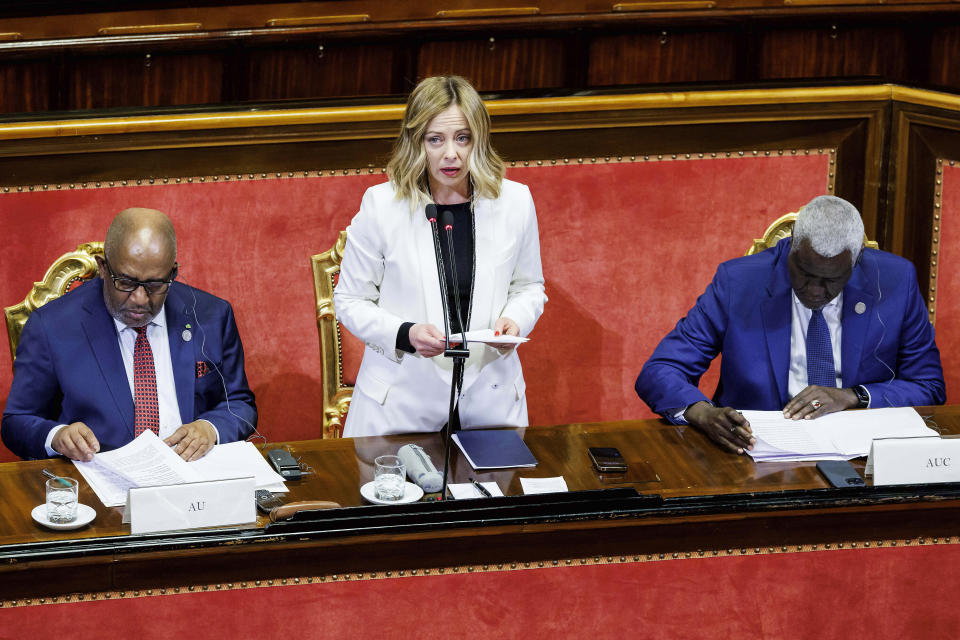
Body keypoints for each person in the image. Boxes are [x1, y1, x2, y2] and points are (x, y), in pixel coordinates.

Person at [635, 195, 945, 454]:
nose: (814, 290)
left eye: (831, 280)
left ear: (856, 259)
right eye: (805, 272)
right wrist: (703, 414)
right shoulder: (739, 282)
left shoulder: (895, 281)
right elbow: (660, 370)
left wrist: (853, 396)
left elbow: (928, 387)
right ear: (792, 245)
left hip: (859, 454)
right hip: (755, 451)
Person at [334, 75, 547, 437]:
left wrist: (514, 321)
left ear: (478, 139)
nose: (451, 153)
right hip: (401, 405)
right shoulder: (382, 205)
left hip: (490, 401)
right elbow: (350, 300)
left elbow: (529, 286)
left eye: (462, 138)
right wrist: (406, 333)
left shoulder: (515, 201)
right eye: (436, 140)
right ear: (417, 143)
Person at [2, 208, 257, 461]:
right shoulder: (52, 326)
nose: (139, 298)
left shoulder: (211, 316)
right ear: (103, 267)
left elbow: (240, 404)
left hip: (191, 476)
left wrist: (210, 428)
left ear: (173, 273)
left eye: (155, 285)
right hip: (100, 480)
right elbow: (16, 422)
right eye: (125, 282)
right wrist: (56, 436)